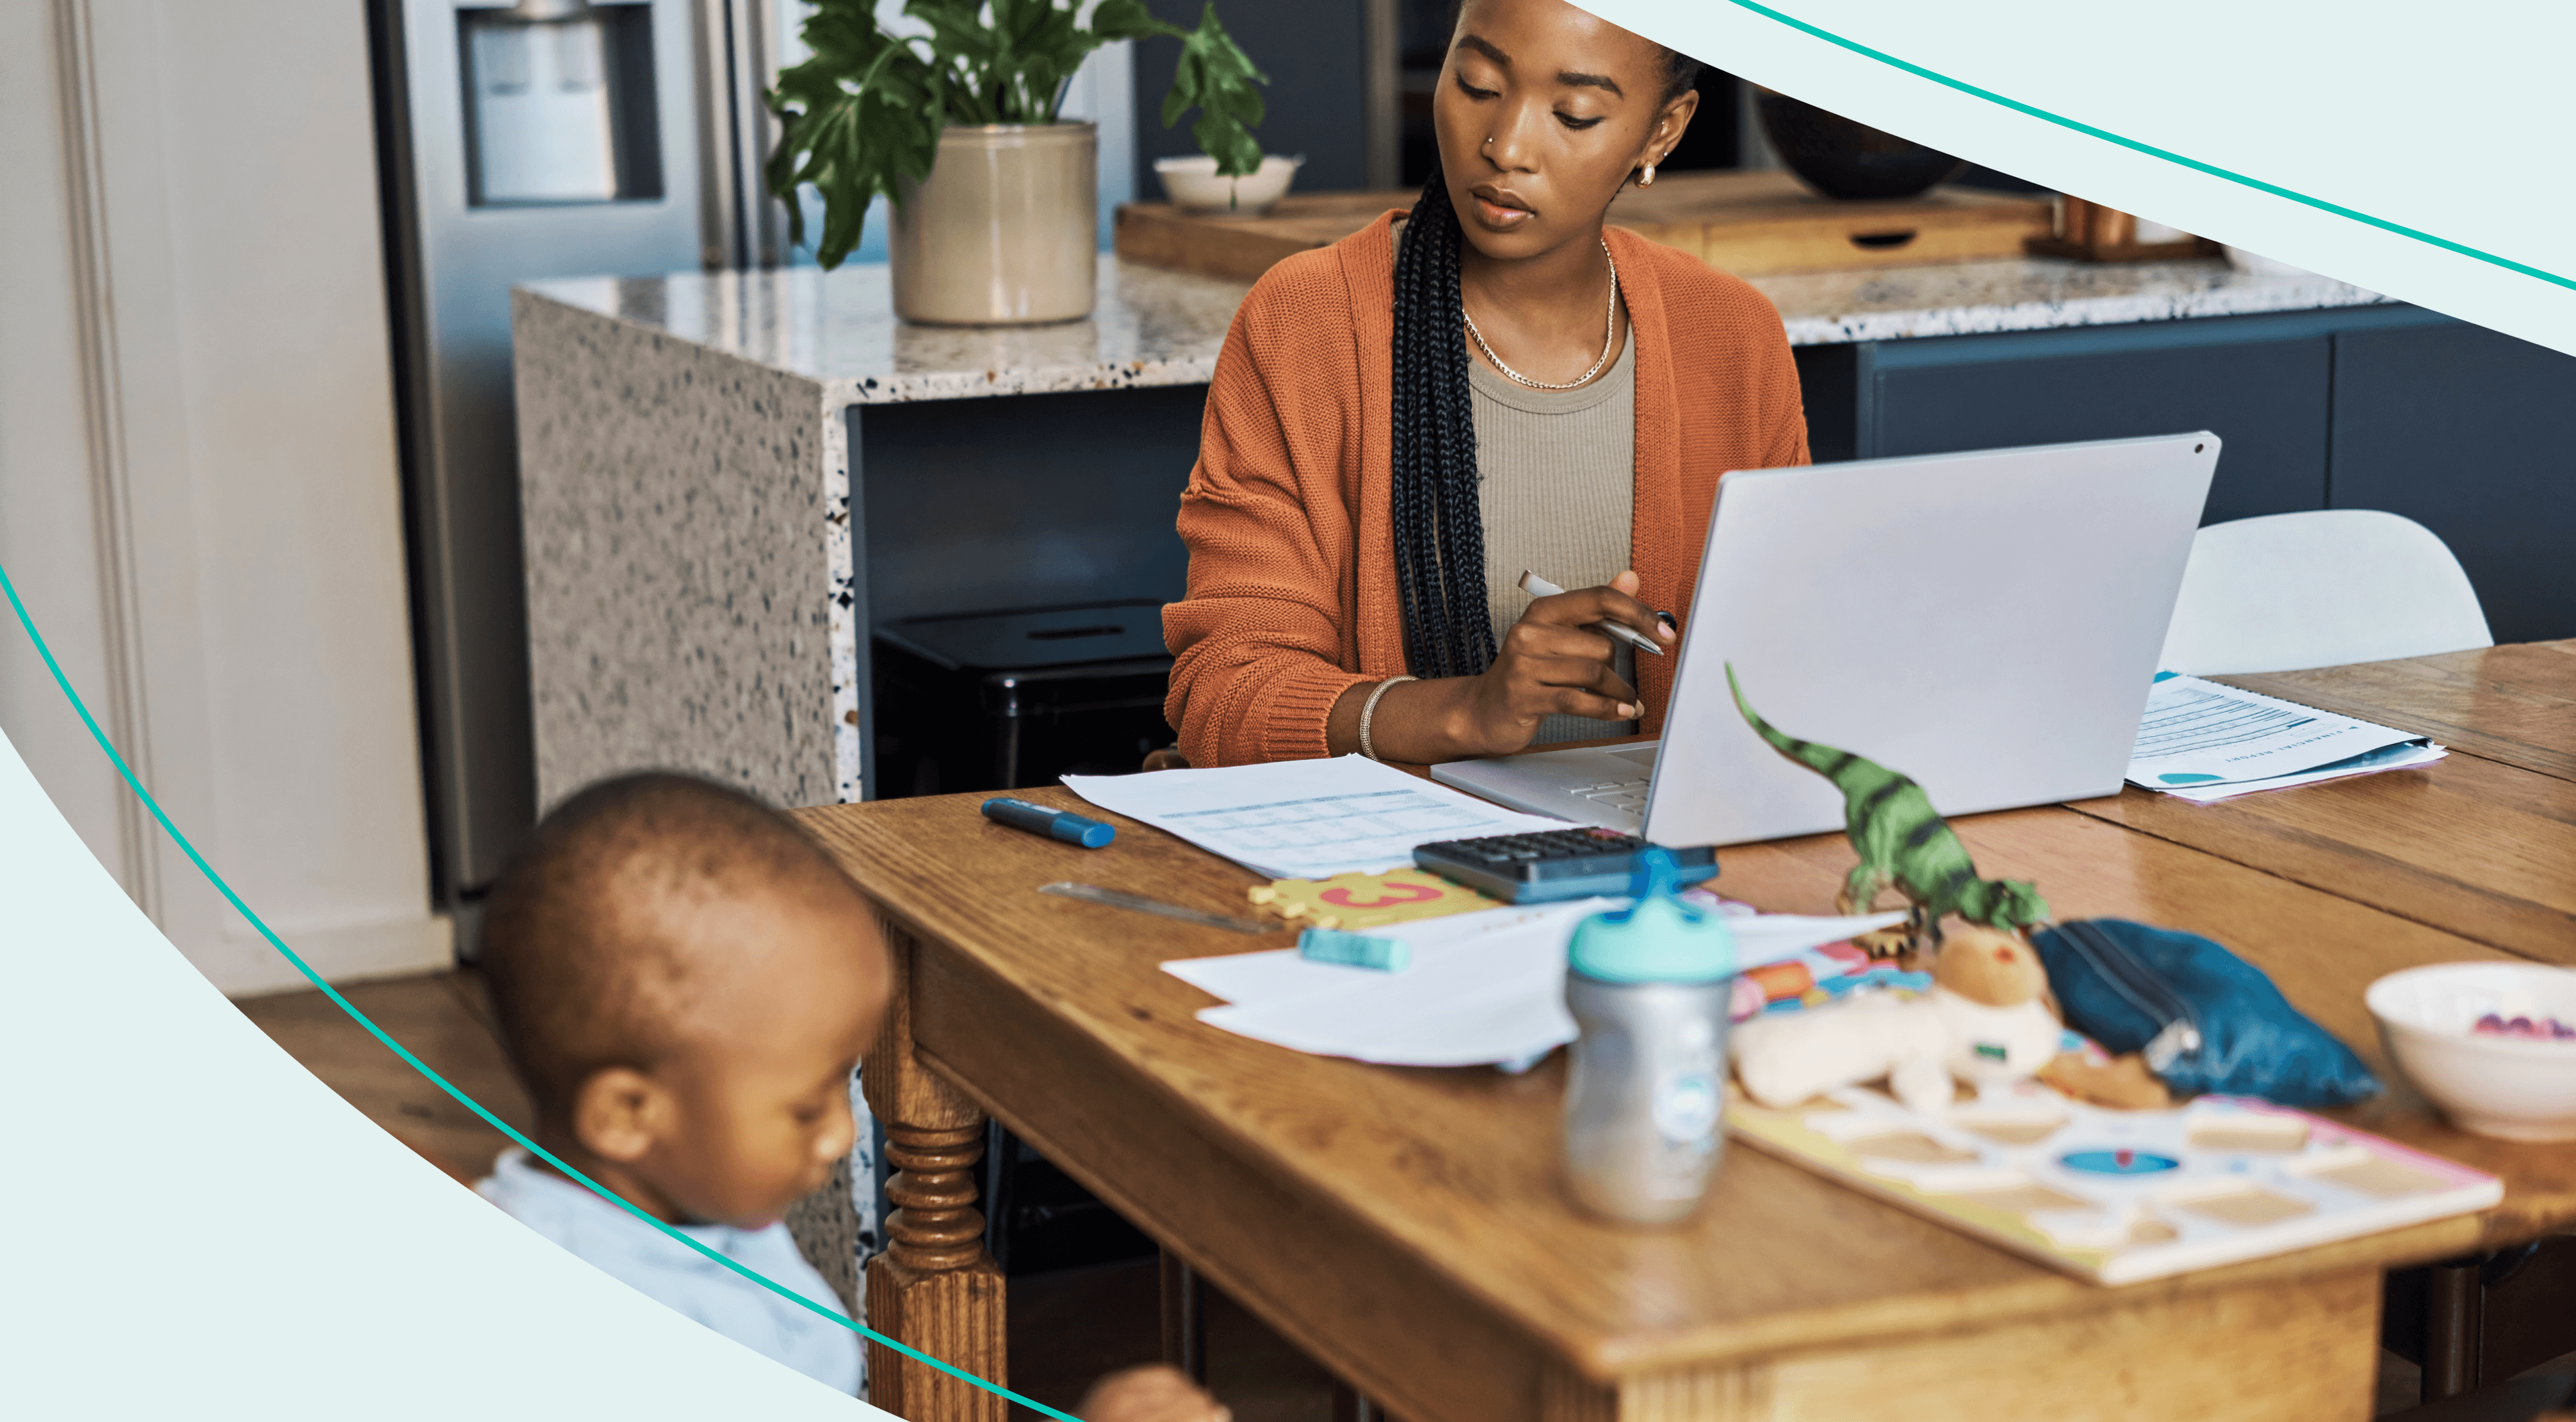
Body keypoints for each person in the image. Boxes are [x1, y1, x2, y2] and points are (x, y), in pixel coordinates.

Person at [1162, 0, 1809, 769]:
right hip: (1397, 866)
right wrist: (1468, 712)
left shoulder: (1732, 335)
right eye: (1476, 84)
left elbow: (1792, 659)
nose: (1506, 146)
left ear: (1662, 131)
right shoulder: (1308, 322)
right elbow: (1224, 694)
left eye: (1573, 115)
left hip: (1659, 866)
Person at [474, 771, 1223, 1419]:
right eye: (806, 1106)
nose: (840, 1135)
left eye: (842, 1081)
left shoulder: (688, 1203)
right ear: (626, 1115)